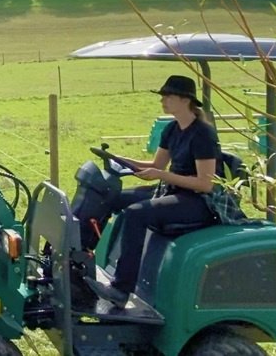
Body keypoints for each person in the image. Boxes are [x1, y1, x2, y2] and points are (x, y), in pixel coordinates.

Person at [85, 75, 227, 309]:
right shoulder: (172, 129)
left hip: (199, 202)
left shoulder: (202, 134)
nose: (163, 101)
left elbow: (205, 184)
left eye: (168, 96)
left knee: (136, 213)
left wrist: (162, 175)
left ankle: (121, 289)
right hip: (173, 190)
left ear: (185, 100)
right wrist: (119, 159)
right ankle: (83, 259)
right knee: (111, 198)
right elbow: (157, 165)